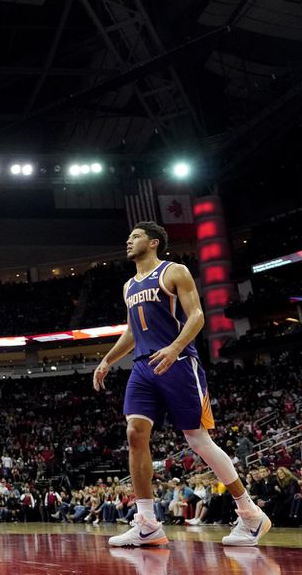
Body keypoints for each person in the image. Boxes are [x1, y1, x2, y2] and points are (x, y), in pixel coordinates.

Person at [94, 221, 270, 547]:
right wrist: (107, 359)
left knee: (198, 440)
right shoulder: (128, 286)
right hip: (143, 366)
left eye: (135, 237)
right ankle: (147, 522)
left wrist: (175, 348)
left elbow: (197, 316)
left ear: (154, 242)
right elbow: (132, 332)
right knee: (134, 433)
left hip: (178, 363)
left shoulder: (175, 271)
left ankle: (250, 513)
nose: (129, 241)